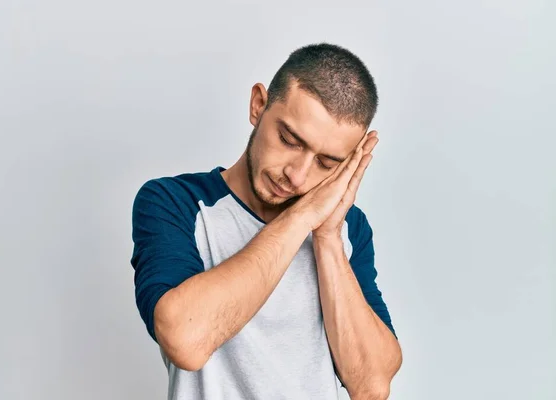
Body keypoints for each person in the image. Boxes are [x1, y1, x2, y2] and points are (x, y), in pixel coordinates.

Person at [130, 42, 402, 400]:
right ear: (259, 105)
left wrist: (327, 236)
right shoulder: (174, 202)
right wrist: (302, 216)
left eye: (327, 163)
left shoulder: (347, 229)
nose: (298, 176)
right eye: (289, 140)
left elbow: (371, 386)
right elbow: (186, 342)